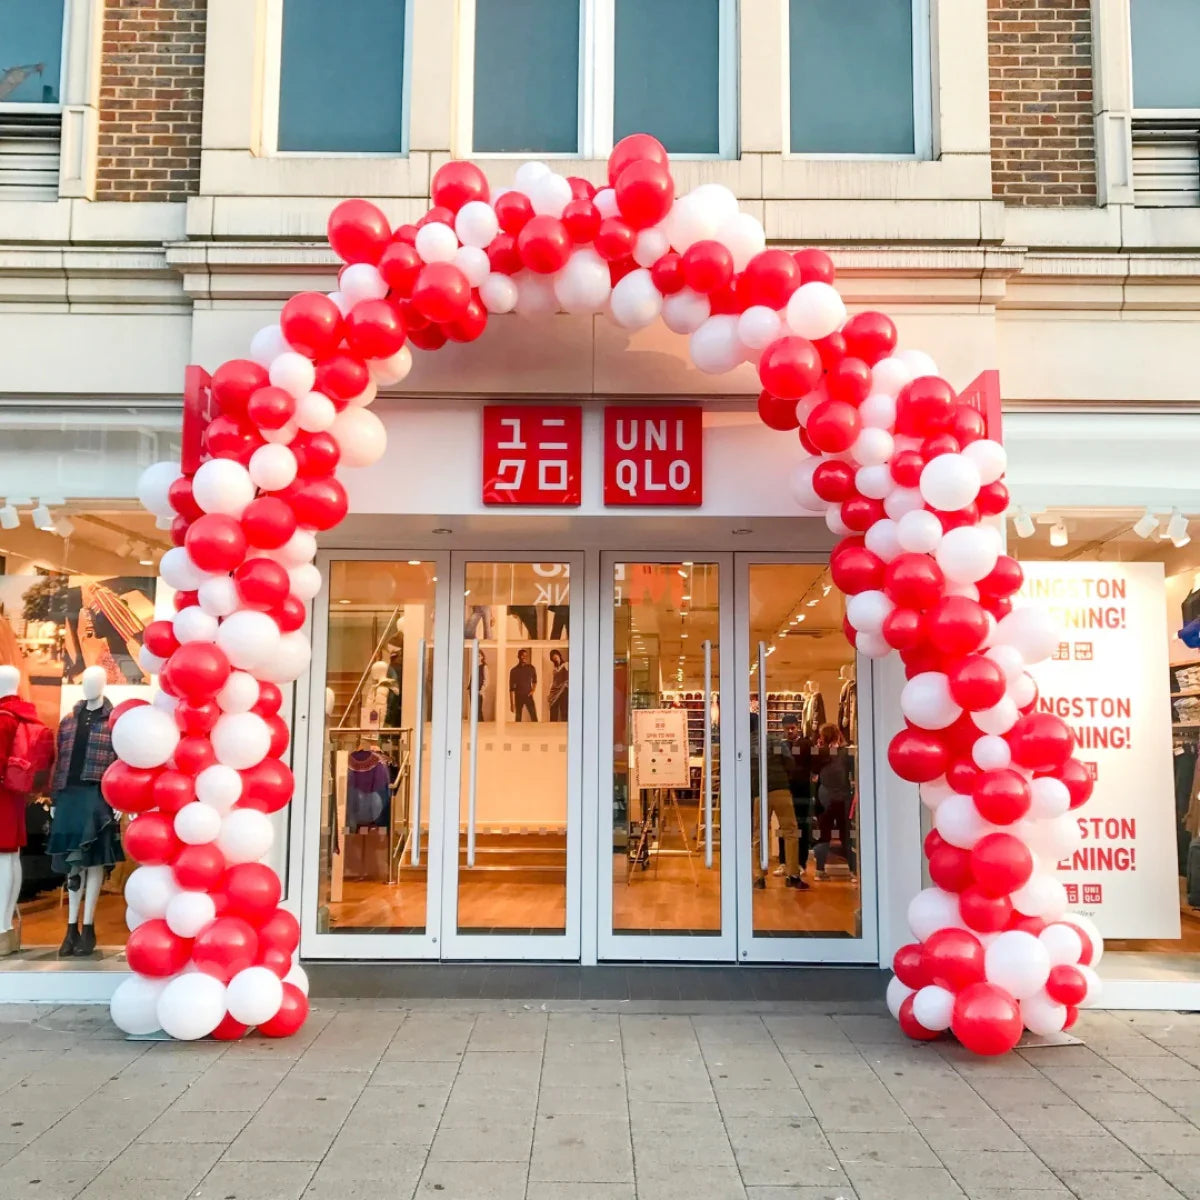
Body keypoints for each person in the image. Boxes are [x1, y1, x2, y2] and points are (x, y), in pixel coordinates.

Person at [749, 708, 803, 889]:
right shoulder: (773, 740)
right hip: (780, 789)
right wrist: (784, 774)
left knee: (759, 834)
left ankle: (758, 877)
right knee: (790, 831)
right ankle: (793, 875)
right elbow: (789, 761)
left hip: (758, 793)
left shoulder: (743, 743)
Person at [812, 723, 857, 880]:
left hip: (824, 796)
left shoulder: (820, 753)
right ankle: (853, 872)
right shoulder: (845, 753)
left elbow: (814, 772)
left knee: (824, 834)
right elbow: (853, 773)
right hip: (843, 796)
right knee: (847, 835)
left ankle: (819, 870)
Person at [509, 648, 537, 722]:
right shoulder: (514, 670)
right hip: (518, 696)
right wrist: (512, 704)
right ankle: (517, 733)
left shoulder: (531, 668)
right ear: (518, 656)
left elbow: (535, 681)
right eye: (522, 655)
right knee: (518, 719)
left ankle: (537, 732)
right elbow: (511, 689)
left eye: (526, 655)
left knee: (534, 717)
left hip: (528, 695)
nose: (524, 657)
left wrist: (533, 690)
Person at [547, 649, 568, 722]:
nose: (554, 658)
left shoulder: (566, 664)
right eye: (553, 658)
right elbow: (553, 682)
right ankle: (551, 730)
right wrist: (549, 693)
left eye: (555, 655)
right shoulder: (555, 669)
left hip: (564, 690)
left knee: (564, 711)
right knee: (553, 711)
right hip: (554, 691)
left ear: (559, 655)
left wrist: (565, 684)